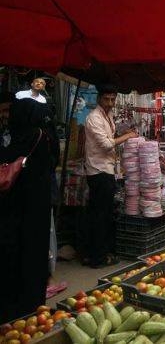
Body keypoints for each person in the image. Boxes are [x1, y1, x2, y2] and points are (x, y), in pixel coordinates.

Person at [0, 98, 58, 322]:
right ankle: (34, 305)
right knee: (36, 256)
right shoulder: (47, 136)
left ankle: (16, 308)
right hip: (40, 208)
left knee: (17, 257)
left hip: (18, 211)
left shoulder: (25, 137)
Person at [84, 85, 138, 268]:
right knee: (100, 216)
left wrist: (121, 135)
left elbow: (110, 137)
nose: (110, 103)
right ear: (99, 98)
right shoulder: (93, 118)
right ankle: (97, 258)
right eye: (106, 99)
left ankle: (98, 253)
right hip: (98, 172)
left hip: (107, 170)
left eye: (112, 99)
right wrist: (128, 136)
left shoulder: (107, 116)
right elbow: (107, 144)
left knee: (104, 214)